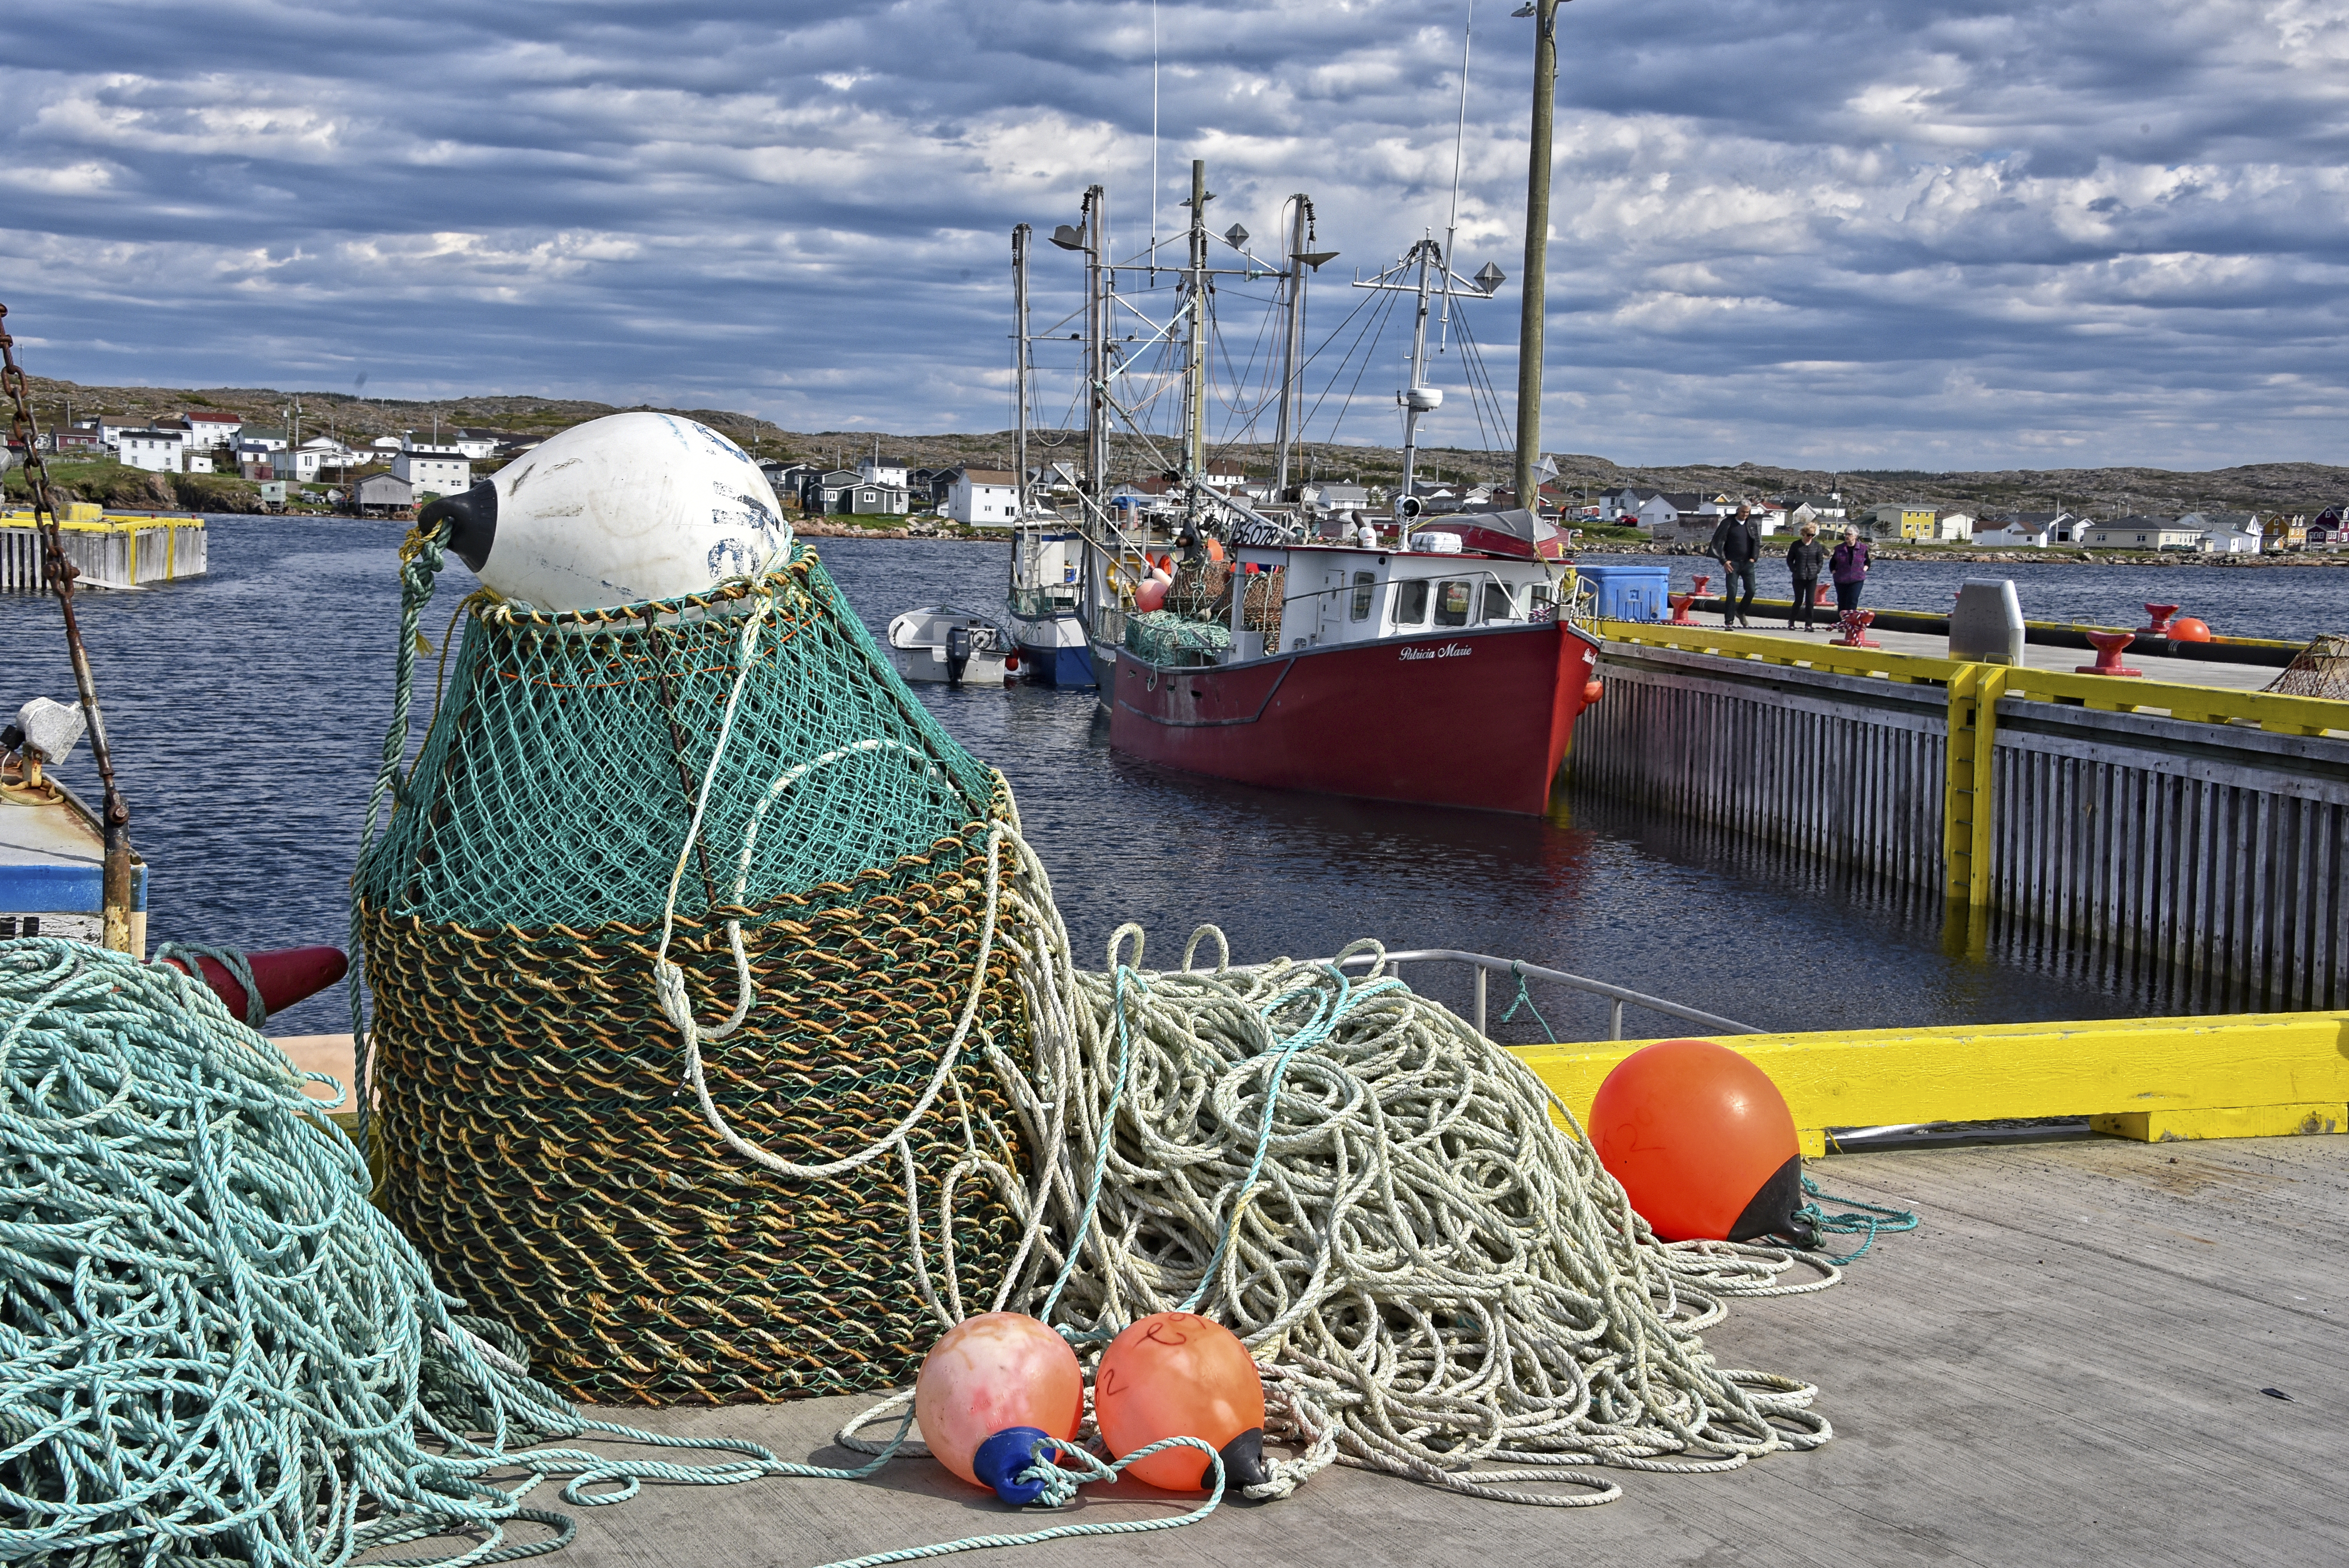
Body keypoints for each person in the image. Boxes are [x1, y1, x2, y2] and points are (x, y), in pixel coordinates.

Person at [1708, 505, 1761, 628]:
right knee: (1732, 592)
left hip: (1748, 563)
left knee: (1752, 590)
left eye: (1748, 512)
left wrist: (1754, 558)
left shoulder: (1752, 524)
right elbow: (1718, 542)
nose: (1745, 514)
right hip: (1732, 564)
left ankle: (1741, 611)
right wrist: (1724, 561)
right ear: (1738, 510)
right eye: (1743, 512)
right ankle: (1729, 621)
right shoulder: (1728, 523)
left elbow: (1757, 542)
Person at [1784, 522, 1826, 631]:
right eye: (1809, 535)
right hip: (1799, 577)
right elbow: (1790, 560)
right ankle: (1792, 622)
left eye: (1813, 535)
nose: (1810, 537)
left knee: (1810, 601)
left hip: (1812, 577)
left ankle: (1809, 624)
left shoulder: (1817, 546)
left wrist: (1817, 570)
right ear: (1804, 534)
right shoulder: (1796, 545)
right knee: (1799, 600)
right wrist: (1794, 570)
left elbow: (1820, 561)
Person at [1830, 527, 1871, 616]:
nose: (1847, 536)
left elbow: (1867, 562)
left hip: (1857, 579)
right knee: (1842, 602)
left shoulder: (1863, 548)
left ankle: (1851, 622)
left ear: (1856, 536)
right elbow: (1832, 563)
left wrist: (1865, 569)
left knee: (1853, 600)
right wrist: (1834, 572)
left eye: (1849, 534)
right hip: (1841, 579)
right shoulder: (1839, 548)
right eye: (1846, 534)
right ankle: (1843, 623)